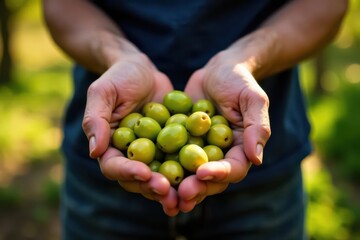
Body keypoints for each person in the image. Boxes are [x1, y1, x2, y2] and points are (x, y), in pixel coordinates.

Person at [43, 0, 348, 239]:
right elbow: (60, 4)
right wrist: (117, 55)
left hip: (265, 180)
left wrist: (246, 58)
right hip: (103, 188)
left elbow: (327, 5)